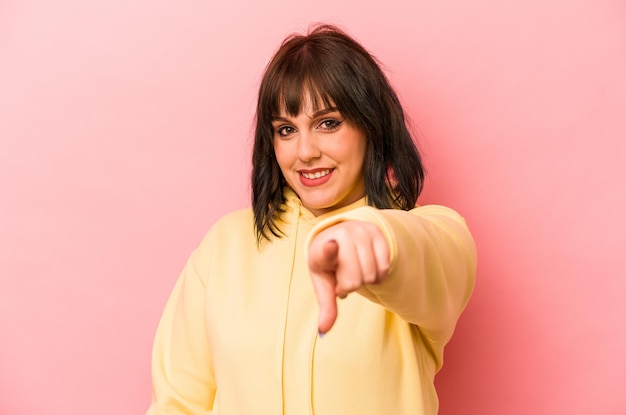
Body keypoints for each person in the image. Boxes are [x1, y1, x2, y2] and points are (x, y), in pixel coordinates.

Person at [146, 24, 476, 415]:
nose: (304, 152)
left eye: (328, 123)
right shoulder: (224, 245)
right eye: (286, 130)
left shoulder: (434, 234)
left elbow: (426, 253)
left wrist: (374, 236)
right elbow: (178, 402)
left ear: (371, 126)